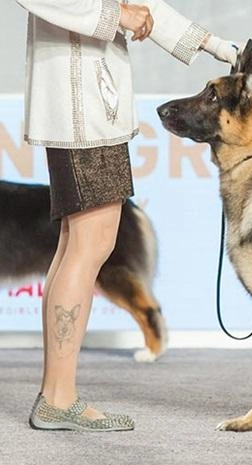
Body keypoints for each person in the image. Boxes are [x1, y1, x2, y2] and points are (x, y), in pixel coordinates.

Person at [15, 0, 238, 431]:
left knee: (79, 244)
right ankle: (58, 399)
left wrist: (211, 44)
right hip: (79, 104)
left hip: (92, 102)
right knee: (88, 244)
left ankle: (56, 395)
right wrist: (117, 15)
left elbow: (139, 5)